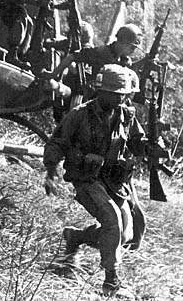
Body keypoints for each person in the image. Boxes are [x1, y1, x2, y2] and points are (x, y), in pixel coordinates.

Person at [43, 64, 157, 297]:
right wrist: (51, 171)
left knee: (125, 234)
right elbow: (57, 142)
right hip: (86, 178)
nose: (118, 99)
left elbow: (137, 142)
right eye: (114, 94)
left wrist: (151, 147)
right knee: (111, 219)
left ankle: (75, 237)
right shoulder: (80, 115)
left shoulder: (127, 115)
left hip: (114, 181)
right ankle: (111, 281)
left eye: (122, 95)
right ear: (100, 91)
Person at [47, 23, 144, 101]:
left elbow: (129, 68)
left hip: (108, 98)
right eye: (132, 47)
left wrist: (145, 60)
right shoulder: (100, 53)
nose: (133, 51)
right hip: (89, 98)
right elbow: (72, 56)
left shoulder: (122, 58)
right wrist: (53, 74)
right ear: (123, 42)